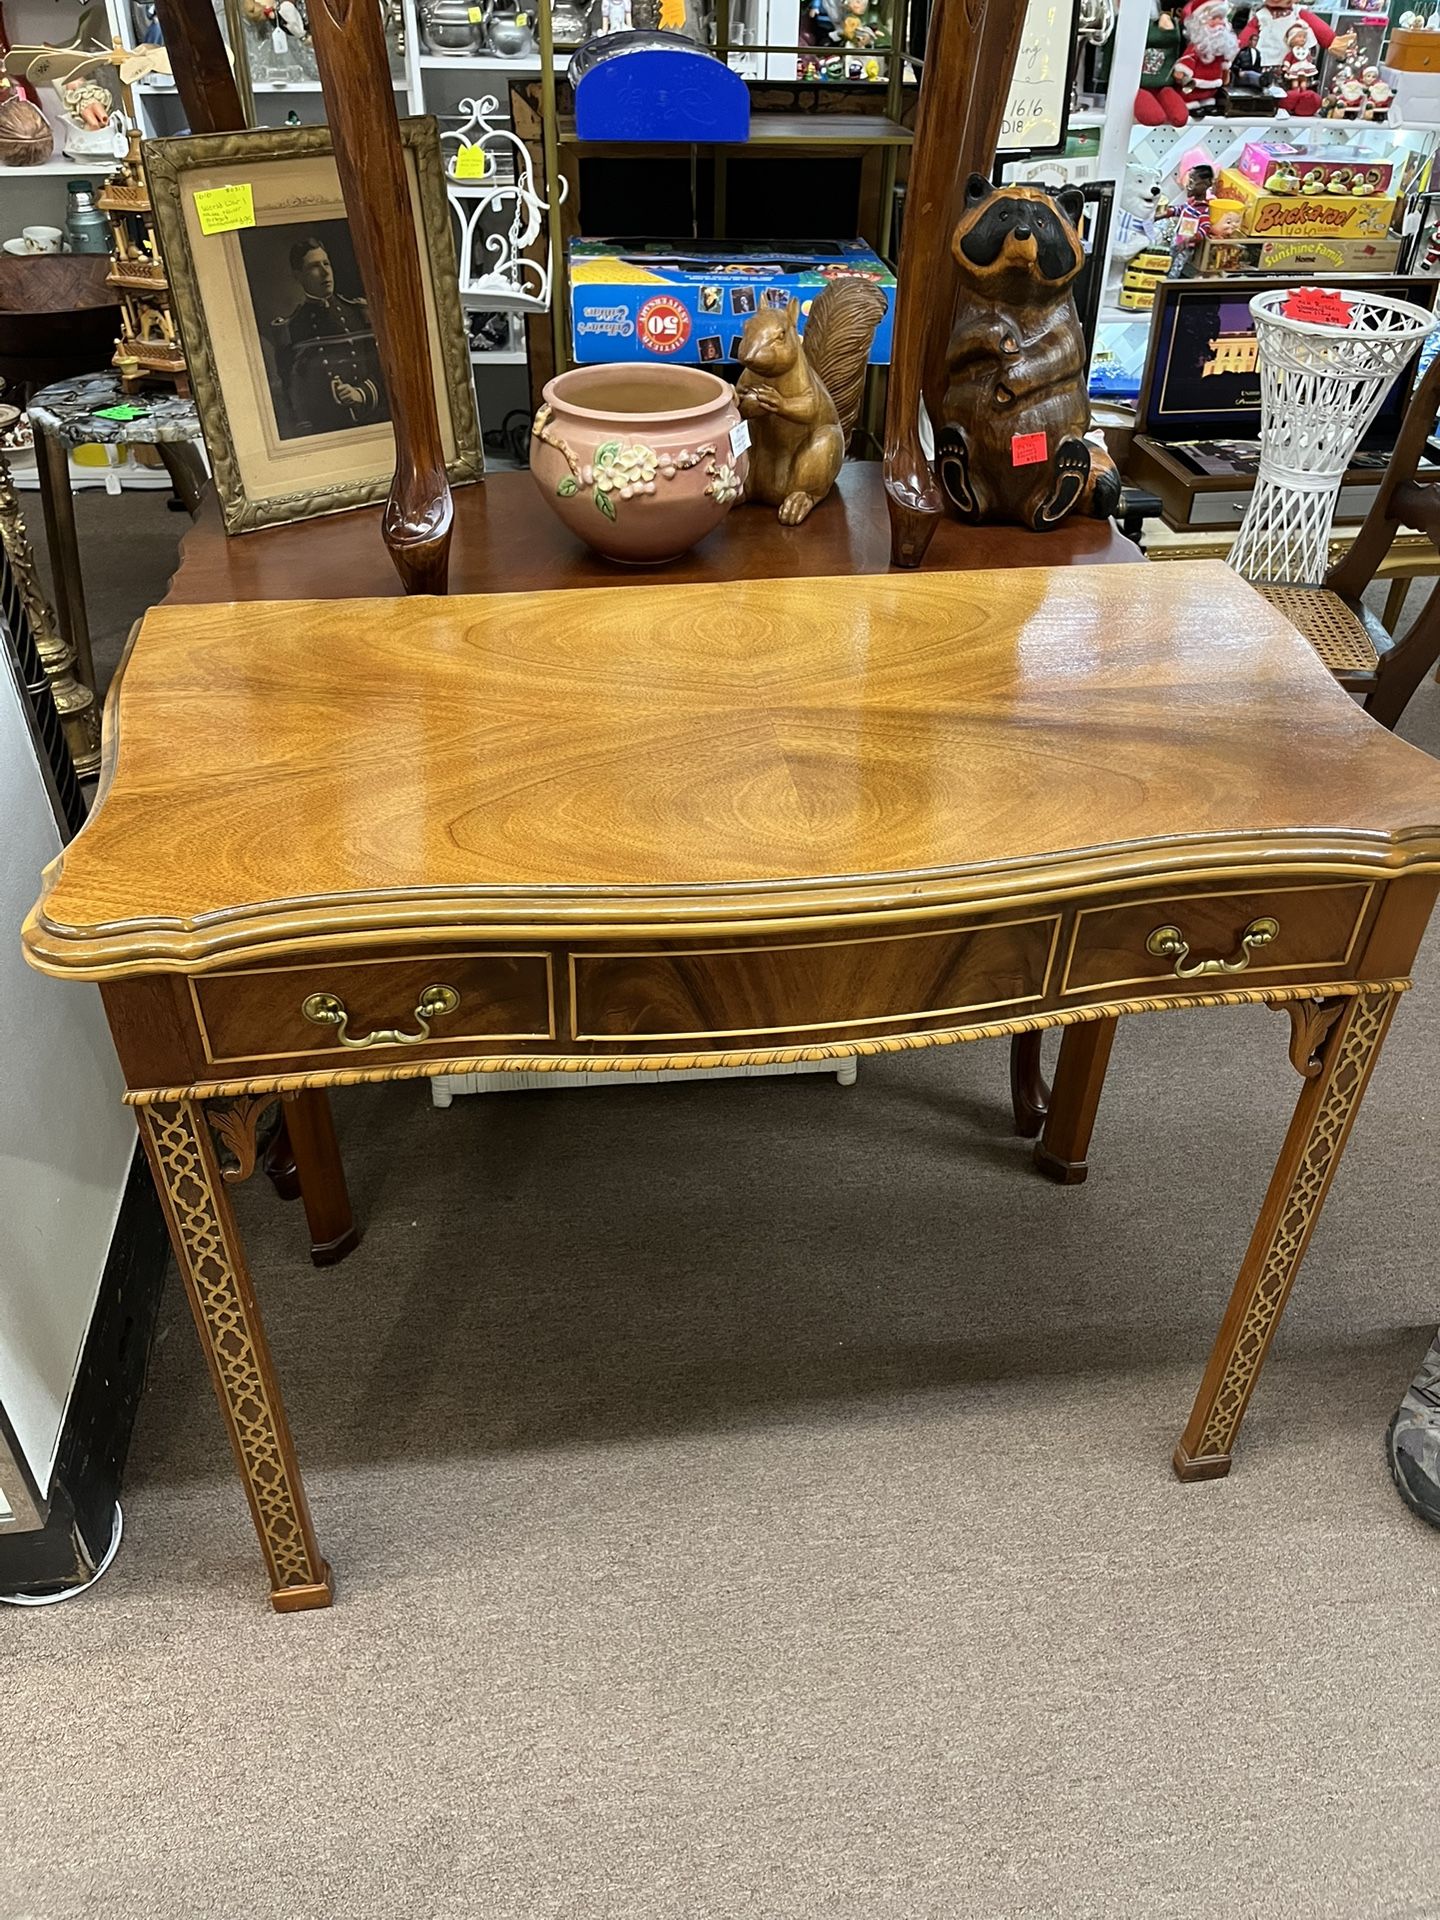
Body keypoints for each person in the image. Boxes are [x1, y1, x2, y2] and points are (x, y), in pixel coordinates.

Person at [271, 234, 386, 435]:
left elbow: (383, 367)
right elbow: (290, 392)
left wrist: (361, 393)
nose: (325, 272)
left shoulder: (358, 312)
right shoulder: (291, 328)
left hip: (372, 420)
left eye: (327, 263)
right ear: (298, 275)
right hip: (326, 431)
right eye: (314, 266)